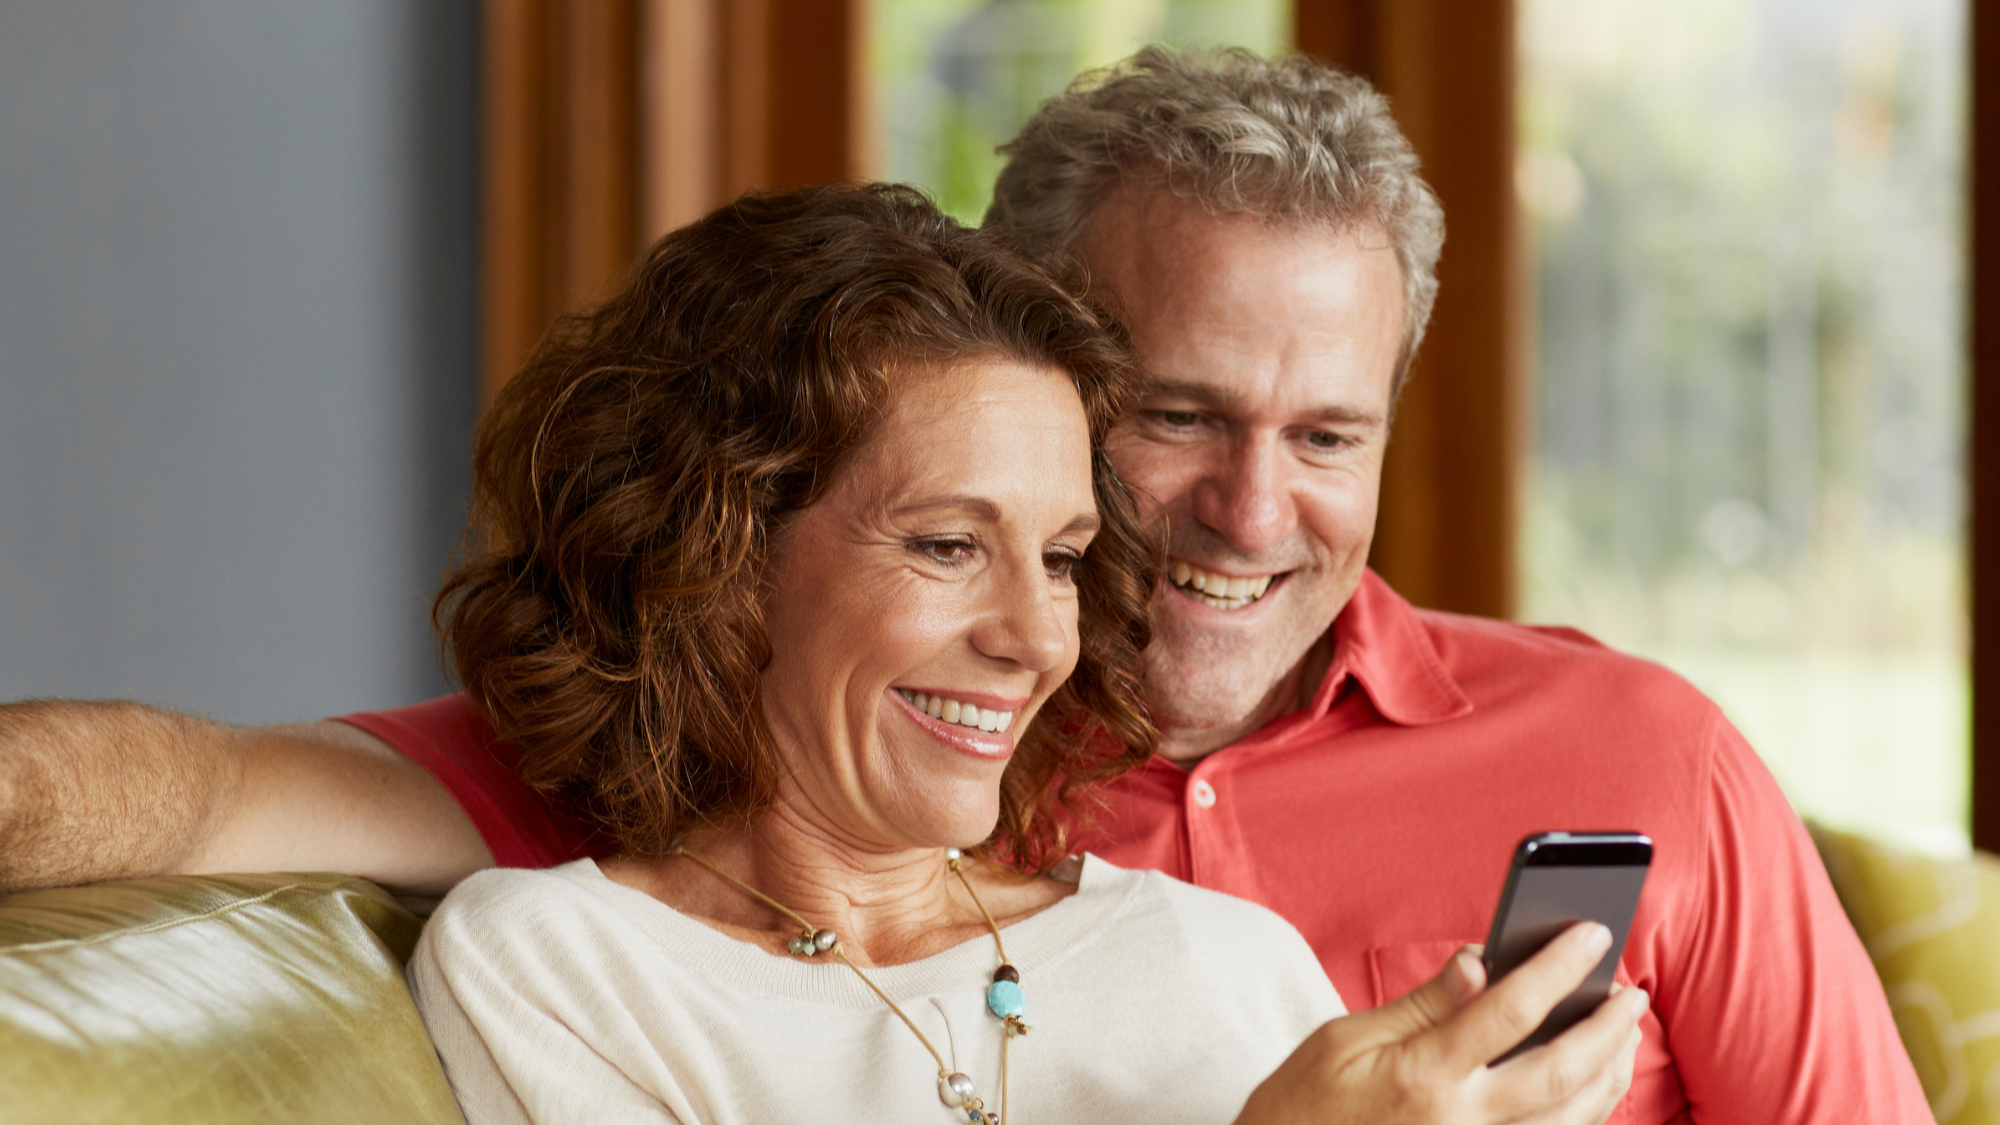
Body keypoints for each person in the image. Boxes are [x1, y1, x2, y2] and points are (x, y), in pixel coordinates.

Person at [0, 46, 1922, 1124]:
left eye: (1330, 435)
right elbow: (193, 788)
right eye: (1175, 417)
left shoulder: (1634, 753)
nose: (1256, 515)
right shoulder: (807, 770)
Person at [404, 181, 1641, 1125]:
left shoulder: (1215, 956)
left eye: (1058, 559)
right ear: (711, 560)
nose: (1034, 637)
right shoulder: (564, 967)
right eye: (946, 546)